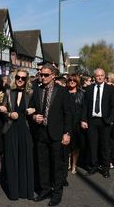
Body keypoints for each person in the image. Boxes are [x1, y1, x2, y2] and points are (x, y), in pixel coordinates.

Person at [29, 64, 72, 206]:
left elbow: (68, 113)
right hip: (40, 133)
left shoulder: (62, 91)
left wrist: (67, 133)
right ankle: (45, 190)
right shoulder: (37, 90)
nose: (42, 77)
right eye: (41, 74)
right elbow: (30, 109)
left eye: (46, 75)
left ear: (53, 75)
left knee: (57, 165)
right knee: (42, 164)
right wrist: (34, 116)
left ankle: (57, 193)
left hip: (57, 134)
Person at [1, 68, 35, 200]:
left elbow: (37, 108)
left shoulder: (31, 93)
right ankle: (14, 192)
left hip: (25, 129)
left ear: (27, 80)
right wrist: (9, 114)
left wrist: (33, 110)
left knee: (25, 159)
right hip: (11, 129)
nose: (20, 80)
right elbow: (3, 110)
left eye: (23, 78)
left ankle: (26, 191)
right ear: (15, 78)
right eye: (18, 77)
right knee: (11, 160)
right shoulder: (9, 92)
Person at [81, 68, 114, 178]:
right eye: (97, 75)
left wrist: (110, 120)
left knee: (105, 146)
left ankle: (105, 168)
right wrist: (84, 120)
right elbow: (85, 105)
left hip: (104, 121)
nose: (100, 77)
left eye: (102, 75)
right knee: (92, 145)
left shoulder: (110, 89)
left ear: (104, 76)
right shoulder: (89, 89)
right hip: (92, 121)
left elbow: (113, 106)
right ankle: (94, 166)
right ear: (94, 77)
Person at [67, 73, 85, 175]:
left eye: (74, 80)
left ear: (77, 82)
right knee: (66, 145)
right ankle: (68, 163)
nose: (72, 82)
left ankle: (74, 165)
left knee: (76, 146)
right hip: (66, 123)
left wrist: (83, 120)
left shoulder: (82, 93)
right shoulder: (64, 92)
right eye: (70, 80)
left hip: (78, 123)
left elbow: (84, 109)